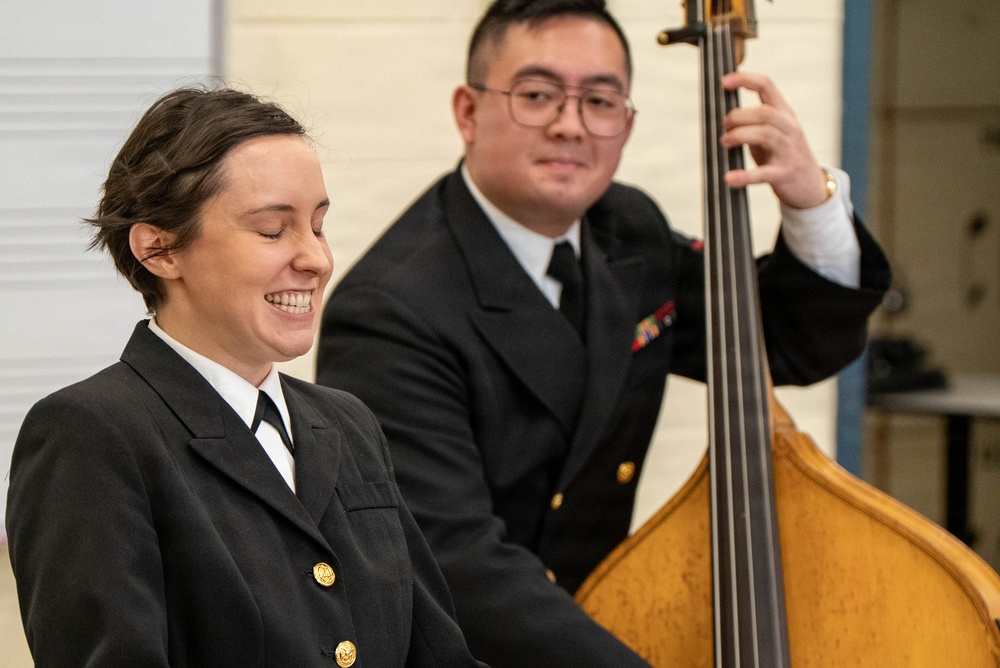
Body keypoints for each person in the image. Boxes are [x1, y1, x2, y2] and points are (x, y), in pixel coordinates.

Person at [316, 1, 891, 666]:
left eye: (601, 100)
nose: (570, 126)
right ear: (468, 113)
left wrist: (809, 200)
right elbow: (457, 563)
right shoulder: (390, 310)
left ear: (627, 122)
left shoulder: (628, 231)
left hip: (590, 627)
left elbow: (786, 342)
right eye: (537, 95)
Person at [5, 86, 486, 668]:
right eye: (272, 231)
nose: (316, 259)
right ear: (159, 249)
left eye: (318, 225)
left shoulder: (348, 423)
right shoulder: (90, 433)